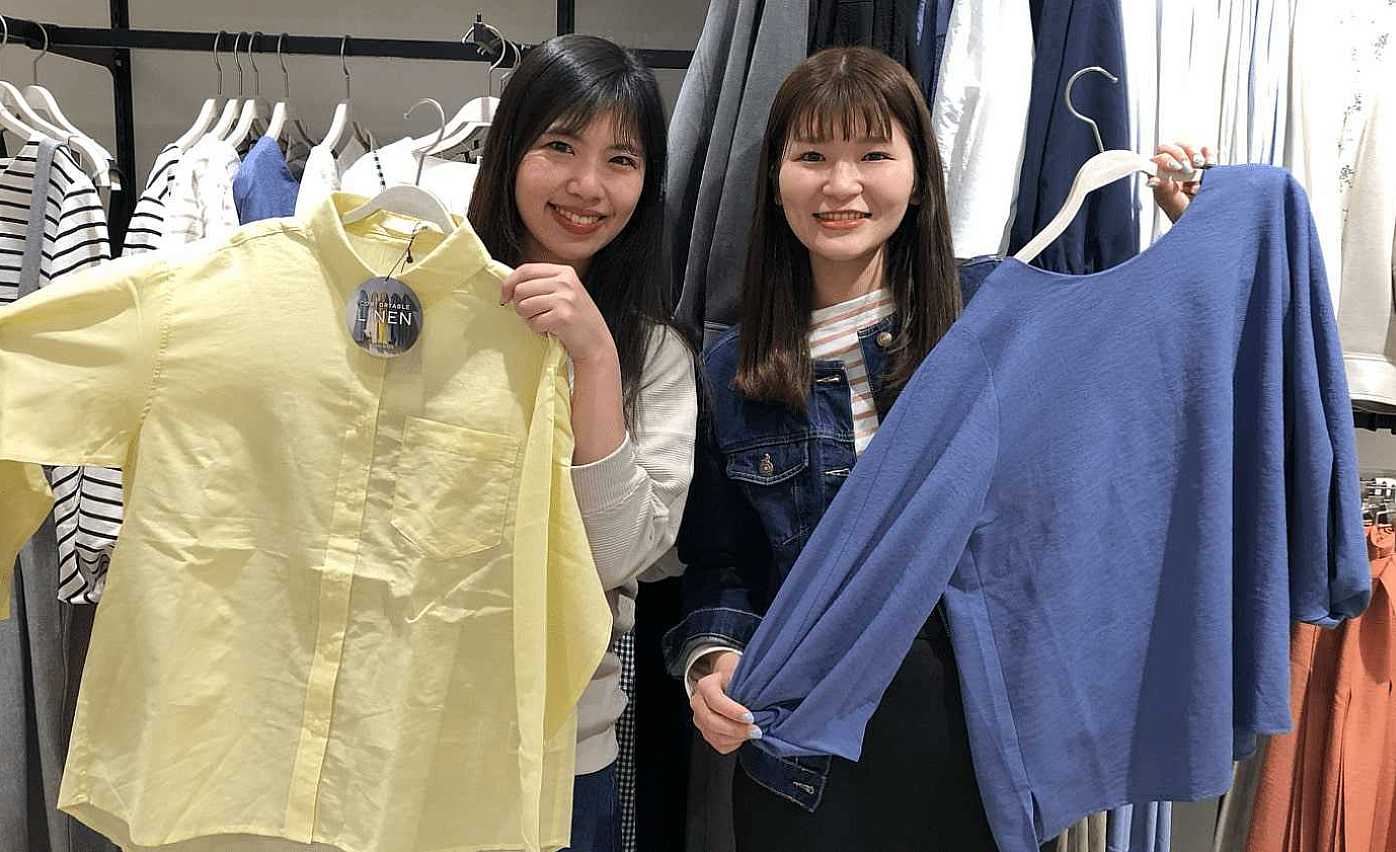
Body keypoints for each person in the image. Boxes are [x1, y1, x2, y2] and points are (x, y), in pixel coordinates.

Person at [666, 46, 1211, 851]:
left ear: (919, 175)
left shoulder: (991, 314)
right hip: (804, 754)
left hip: (982, 744)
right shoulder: (730, 370)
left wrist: (1192, 236)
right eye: (811, 156)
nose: (841, 185)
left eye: (872, 155)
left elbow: (1146, 394)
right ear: (775, 179)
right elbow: (720, 564)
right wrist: (714, 659)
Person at [467, 34, 698, 852]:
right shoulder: (423, 314)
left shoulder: (654, 356)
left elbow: (616, 554)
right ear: (509, 152)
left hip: (564, 751)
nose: (588, 186)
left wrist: (597, 357)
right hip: (408, 728)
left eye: (620, 160)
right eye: (560, 146)